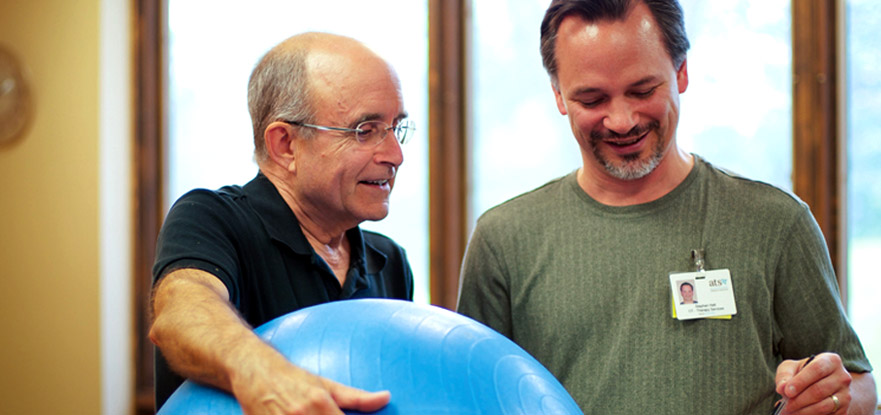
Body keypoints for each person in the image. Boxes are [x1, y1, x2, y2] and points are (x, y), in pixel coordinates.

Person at [456, 1, 876, 414]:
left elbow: (859, 387)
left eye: (643, 90)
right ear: (558, 95)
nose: (621, 120)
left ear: (681, 71)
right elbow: (465, 399)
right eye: (592, 99)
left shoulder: (775, 223)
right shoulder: (503, 240)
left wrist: (830, 399)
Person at [149, 32, 415, 414]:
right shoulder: (212, 218)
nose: (395, 155)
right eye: (365, 130)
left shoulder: (389, 261)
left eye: (396, 128)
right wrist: (264, 372)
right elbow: (182, 314)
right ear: (285, 145)